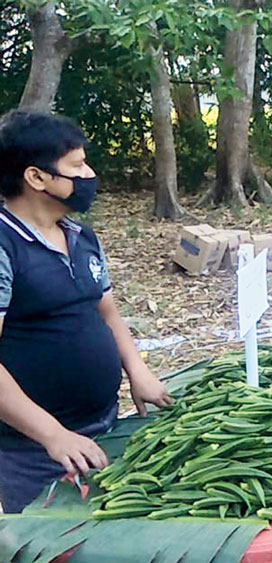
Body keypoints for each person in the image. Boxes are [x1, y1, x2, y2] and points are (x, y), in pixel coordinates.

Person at [0, 111, 173, 513]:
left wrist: (138, 370)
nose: (89, 174)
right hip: (36, 452)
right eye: (76, 166)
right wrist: (52, 435)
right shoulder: (6, 246)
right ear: (36, 178)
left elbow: (107, 314)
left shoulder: (80, 235)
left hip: (103, 428)